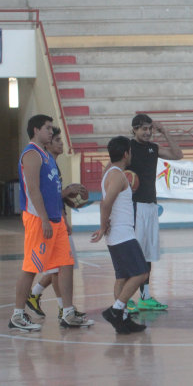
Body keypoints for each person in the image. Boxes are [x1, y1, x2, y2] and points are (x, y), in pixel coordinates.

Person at [10, 115, 91, 331]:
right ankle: (17, 315)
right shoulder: (31, 154)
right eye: (47, 128)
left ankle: (68, 313)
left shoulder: (47, 155)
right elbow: (34, 190)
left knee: (65, 266)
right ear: (36, 130)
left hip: (56, 220)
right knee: (31, 267)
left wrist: (64, 211)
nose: (50, 131)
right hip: (39, 219)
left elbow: (53, 191)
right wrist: (45, 218)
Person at [26, 127, 87, 320]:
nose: (61, 142)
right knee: (58, 267)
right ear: (48, 143)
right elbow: (45, 197)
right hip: (47, 222)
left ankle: (41, 296)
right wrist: (66, 193)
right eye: (57, 139)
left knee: (59, 267)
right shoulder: (43, 163)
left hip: (57, 220)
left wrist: (66, 205)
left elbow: (56, 198)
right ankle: (56, 305)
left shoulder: (53, 165)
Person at [92, 136, 149, 334]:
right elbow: (105, 203)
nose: (131, 154)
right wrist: (101, 227)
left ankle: (122, 320)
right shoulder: (117, 175)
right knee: (141, 273)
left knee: (122, 277)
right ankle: (116, 310)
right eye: (130, 151)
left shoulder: (110, 173)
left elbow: (105, 203)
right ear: (126, 154)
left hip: (117, 233)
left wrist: (104, 226)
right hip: (122, 233)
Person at [126, 114, 183, 312]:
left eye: (150, 128)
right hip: (134, 206)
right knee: (132, 252)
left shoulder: (153, 148)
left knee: (147, 252)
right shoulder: (127, 148)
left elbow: (178, 155)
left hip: (150, 205)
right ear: (134, 129)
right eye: (143, 128)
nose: (148, 132)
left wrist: (165, 131)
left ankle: (145, 297)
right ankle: (124, 298)